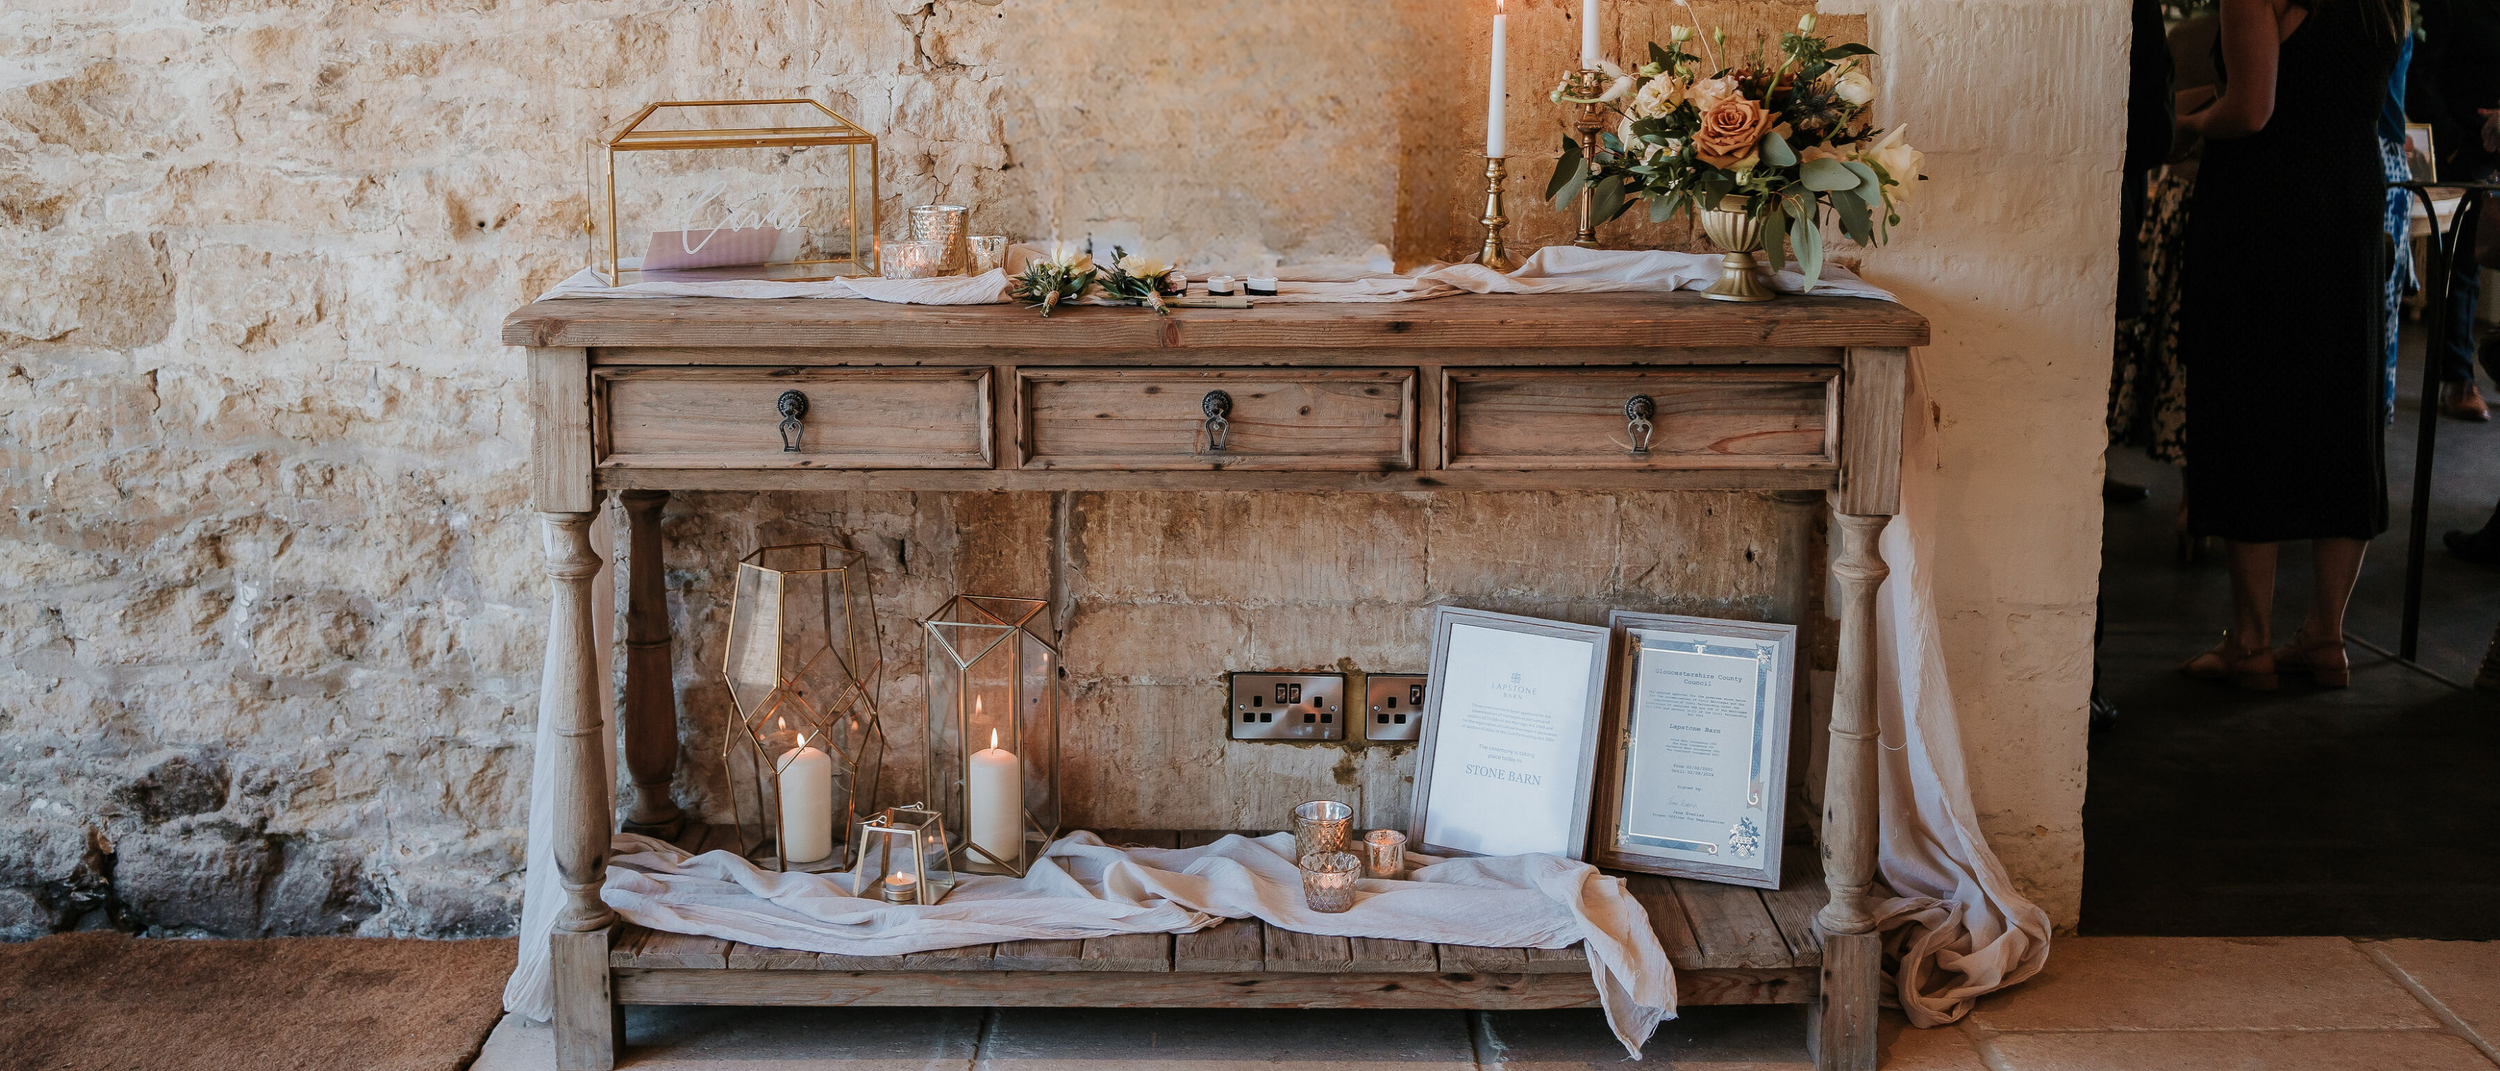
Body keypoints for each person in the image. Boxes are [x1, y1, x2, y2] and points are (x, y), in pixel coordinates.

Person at [2176, 0, 2406, 690]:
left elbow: (2252, 109)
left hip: (2268, 203)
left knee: (2254, 403)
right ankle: (2326, 636)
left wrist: (2187, 125)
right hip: (2352, 195)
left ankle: (2251, 643)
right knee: (2342, 406)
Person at [2411, 0, 2500, 421]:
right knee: (2462, 269)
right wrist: (2451, 142)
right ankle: (2458, 379)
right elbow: (2419, 75)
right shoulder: (2449, 2)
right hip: (2466, 151)